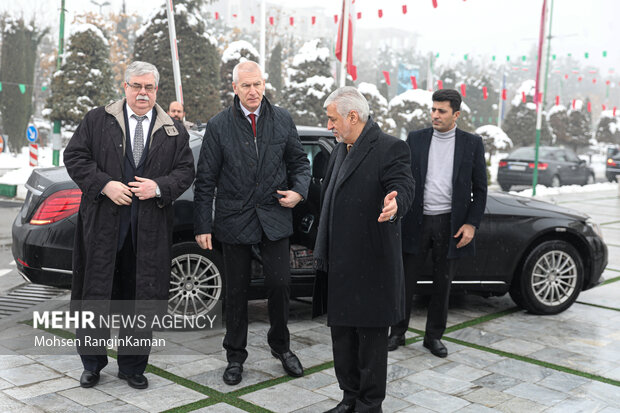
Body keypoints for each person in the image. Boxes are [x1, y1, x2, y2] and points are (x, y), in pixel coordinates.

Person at [63, 61, 195, 390]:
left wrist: (159, 187)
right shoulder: (97, 120)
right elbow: (75, 157)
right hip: (103, 231)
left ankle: (133, 366)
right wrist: (105, 184)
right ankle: (92, 363)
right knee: (95, 297)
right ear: (124, 87)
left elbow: (185, 172)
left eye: (149, 87)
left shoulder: (174, 130)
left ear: (156, 91)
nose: (142, 93)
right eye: (136, 86)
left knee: (141, 300)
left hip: (148, 234)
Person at [194, 60, 310, 386]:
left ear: (264, 84)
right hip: (234, 219)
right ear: (234, 88)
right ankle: (235, 356)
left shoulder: (282, 119)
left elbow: (299, 163)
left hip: (274, 216)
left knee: (280, 284)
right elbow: (205, 180)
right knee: (236, 292)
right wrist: (203, 224)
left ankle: (281, 347)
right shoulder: (219, 126)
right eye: (245, 85)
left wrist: (299, 192)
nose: (253, 91)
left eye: (257, 84)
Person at [313, 86, 414, 413]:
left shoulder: (390, 148)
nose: (329, 125)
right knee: (343, 342)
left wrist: (395, 203)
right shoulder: (341, 149)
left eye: (332, 119)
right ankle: (349, 399)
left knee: (370, 347)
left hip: (372, 270)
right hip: (339, 267)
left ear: (352, 116)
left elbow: (404, 186)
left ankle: (369, 406)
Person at [387, 89, 487, 358]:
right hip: (416, 221)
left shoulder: (472, 144)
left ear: (456, 114)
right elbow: (404, 177)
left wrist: (471, 224)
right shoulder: (416, 139)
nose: (435, 115)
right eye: (433, 109)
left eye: (441, 111)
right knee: (405, 281)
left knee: (443, 284)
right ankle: (397, 331)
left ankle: (433, 337)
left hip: (450, 224)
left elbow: (481, 189)